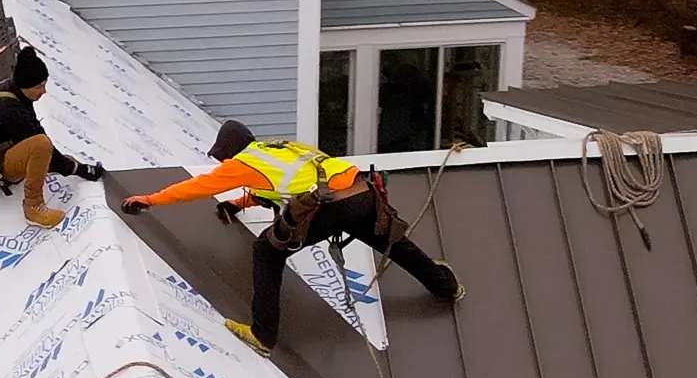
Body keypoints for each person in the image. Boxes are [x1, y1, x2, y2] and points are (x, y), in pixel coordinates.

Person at [121, 120, 462, 355]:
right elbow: (291, 183)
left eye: (222, 155)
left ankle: (262, 334)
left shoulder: (240, 162)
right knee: (391, 242)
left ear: (229, 150)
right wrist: (241, 203)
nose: (223, 162)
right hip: (362, 192)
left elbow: (194, 188)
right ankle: (446, 285)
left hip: (331, 207)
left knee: (267, 251)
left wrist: (149, 200)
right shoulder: (281, 148)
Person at [0, 46, 103, 227]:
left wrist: (61, 163)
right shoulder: (8, 109)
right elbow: (39, 139)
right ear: (26, 85)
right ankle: (33, 207)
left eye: (44, 84)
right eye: (39, 86)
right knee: (41, 145)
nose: (44, 91)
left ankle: (45, 168)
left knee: (45, 151)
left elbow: (32, 131)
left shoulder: (15, 90)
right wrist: (79, 169)